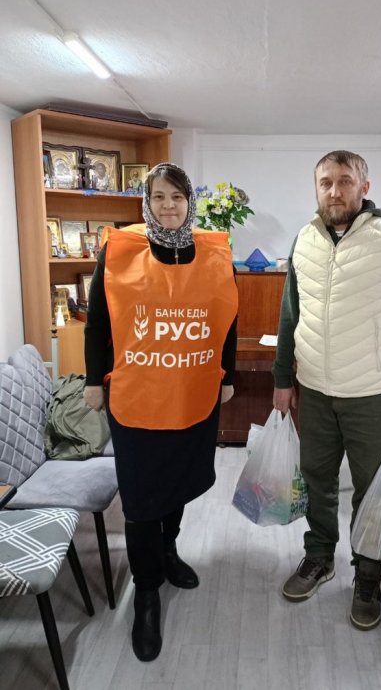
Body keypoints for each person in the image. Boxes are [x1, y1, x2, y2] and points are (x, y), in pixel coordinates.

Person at [83, 162, 238, 662]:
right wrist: (92, 379)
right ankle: (146, 591)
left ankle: (168, 550)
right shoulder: (119, 252)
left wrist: (228, 376)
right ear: (145, 203)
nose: (168, 205)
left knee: (178, 481)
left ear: (190, 202)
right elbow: (97, 322)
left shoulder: (214, 253)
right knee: (141, 495)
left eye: (177, 196)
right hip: (137, 399)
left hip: (192, 393)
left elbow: (226, 320)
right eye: (158, 197)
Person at [272, 150, 381, 631]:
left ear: (364, 187)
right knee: (317, 479)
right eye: (325, 182)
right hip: (314, 388)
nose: (334, 191)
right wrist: (282, 379)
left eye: (344, 181)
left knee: (371, 489)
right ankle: (319, 557)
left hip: (371, 393)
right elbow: (290, 315)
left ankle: (368, 573)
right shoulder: (304, 239)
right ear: (316, 187)